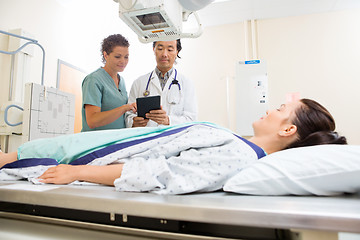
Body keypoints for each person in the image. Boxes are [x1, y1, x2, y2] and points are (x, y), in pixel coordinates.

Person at [0, 99, 347, 194]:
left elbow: (158, 173)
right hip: (93, 143)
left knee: (10, 159)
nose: (271, 107)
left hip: (85, 157)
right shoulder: (236, 140)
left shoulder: (239, 155)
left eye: (282, 110)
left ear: (287, 129)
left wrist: (77, 171)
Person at [124, 39, 197, 128]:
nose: (164, 54)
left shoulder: (186, 83)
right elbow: (128, 115)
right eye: (160, 48)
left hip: (175, 138)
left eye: (170, 50)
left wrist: (168, 120)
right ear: (153, 49)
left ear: (177, 52)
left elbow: (191, 119)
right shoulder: (139, 83)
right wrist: (134, 122)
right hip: (147, 139)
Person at [81, 34, 136, 132]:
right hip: (96, 142)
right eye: (118, 56)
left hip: (115, 140)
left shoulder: (121, 81)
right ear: (106, 55)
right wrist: (124, 108)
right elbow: (92, 121)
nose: (123, 61)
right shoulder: (94, 80)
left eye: (126, 57)